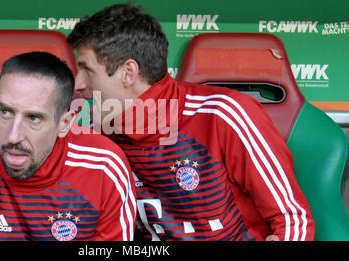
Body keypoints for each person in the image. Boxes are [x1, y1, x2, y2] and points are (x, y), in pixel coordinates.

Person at [67, 4, 315, 241]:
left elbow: (294, 220)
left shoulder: (223, 115)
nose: (78, 84)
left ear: (128, 73)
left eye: (86, 69)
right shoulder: (94, 131)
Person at [0, 51, 137, 241]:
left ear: (65, 124)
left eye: (34, 118)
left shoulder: (105, 168)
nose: (13, 136)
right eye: (5, 112)